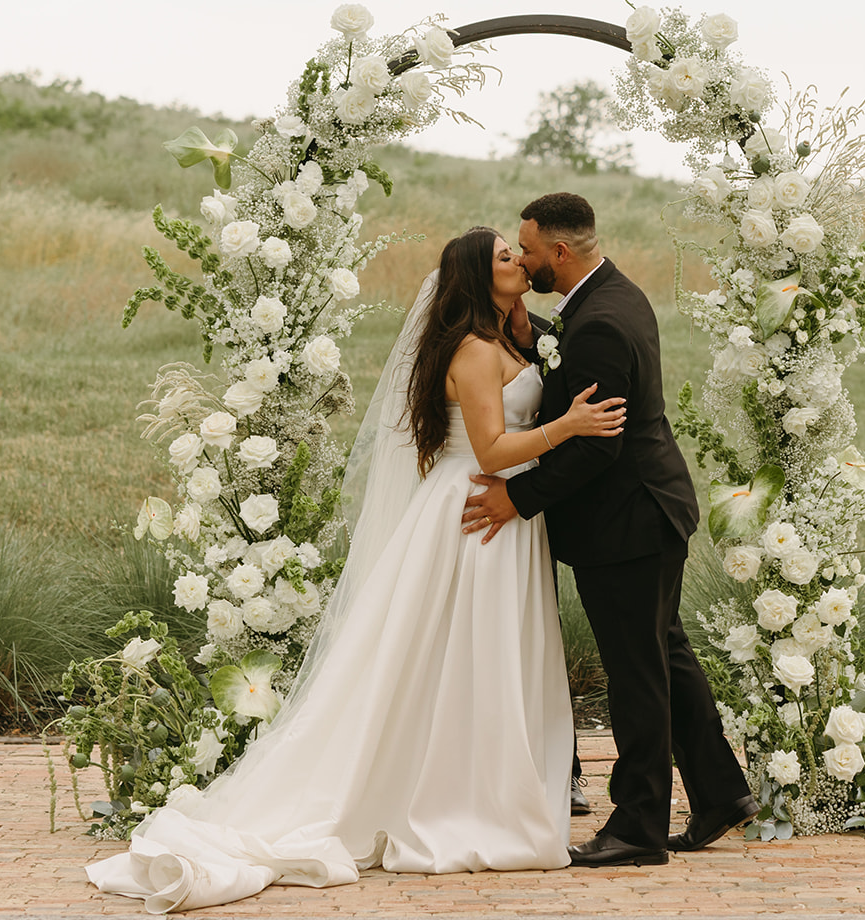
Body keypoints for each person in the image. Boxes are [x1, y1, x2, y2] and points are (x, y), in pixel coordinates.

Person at [86, 227, 626, 912]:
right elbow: (490, 449)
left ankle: (479, 787)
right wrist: (567, 427)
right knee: (468, 654)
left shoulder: (504, 340)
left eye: (516, 252)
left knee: (475, 656)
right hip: (475, 510)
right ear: (475, 276)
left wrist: (523, 332)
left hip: (502, 515)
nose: (518, 260)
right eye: (504, 256)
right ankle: (460, 801)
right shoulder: (472, 349)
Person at [462, 193, 757, 867]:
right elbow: (565, 359)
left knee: (636, 676)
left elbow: (597, 447)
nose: (523, 260)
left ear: (559, 252)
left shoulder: (597, 321)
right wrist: (523, 330)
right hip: (647, 511)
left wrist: (516, 498)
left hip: (627, 522)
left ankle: (637, 826)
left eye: (527, 249)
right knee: (663, 656)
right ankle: (720, 793)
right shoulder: (610, 296)